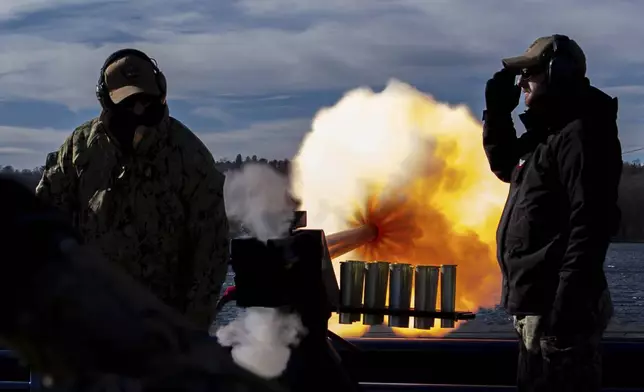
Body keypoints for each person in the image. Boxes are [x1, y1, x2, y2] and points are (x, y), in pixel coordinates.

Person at [35, 48, 230, 331]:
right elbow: (46, 228)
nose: (139, 111)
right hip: (90, 324)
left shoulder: (190, 157)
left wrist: (188, 332)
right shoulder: (79, 150)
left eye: (145, 100)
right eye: (128, 104)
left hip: (163, 330)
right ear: (106, 102)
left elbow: (211, 253)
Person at [482, 35, 622, 391]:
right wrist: (498, 113)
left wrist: (566, 311)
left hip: (557, 310)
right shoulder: (549, 132)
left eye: (530, 73)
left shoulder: (582, 132)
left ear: (557, 73)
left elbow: (591, 224)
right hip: (539, 307)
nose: (522, 82)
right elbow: (506, 165)